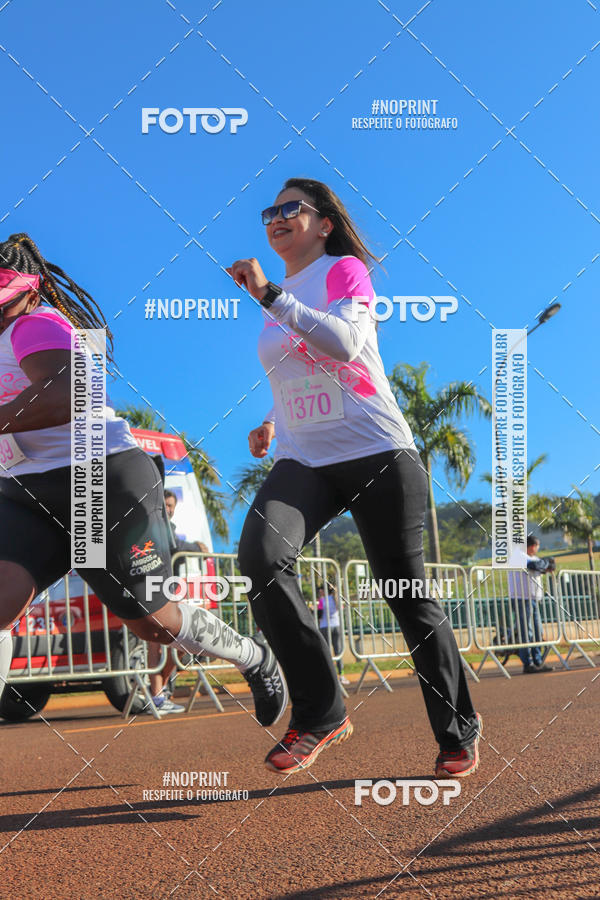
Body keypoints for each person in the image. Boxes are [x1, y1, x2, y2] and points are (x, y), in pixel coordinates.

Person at [230, 178, 481, 776]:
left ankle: (456, 731)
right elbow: (297, 365)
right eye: (270, 211)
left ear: (323, 224)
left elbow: (344, 344)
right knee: (261, 558)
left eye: (292, 209)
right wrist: (270, 419)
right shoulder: (282, 292)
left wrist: (270, 297)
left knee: (407, 597)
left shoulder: (341, 271)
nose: (277, 217)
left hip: (375, 453)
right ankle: (321, 712)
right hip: (304, 458)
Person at [0, 233, 288, 732]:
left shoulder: (36, 325)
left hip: (96, 480)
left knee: (149, 621)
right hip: (24, 491)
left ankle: (253, 656)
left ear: (31, 291)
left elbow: (71, 394)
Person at [145, 489, 213, 714]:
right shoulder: (153, 524)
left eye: (172, 505)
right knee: (157, 644)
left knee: (179, 642)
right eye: (165, 504)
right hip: (153, 591)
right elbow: (174, 547)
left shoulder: (170, 527)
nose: (169, 509)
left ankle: (159, 692)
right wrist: (196, 547)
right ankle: (156, 696)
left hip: (170, 591)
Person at [508, 535, 555, 674]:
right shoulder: (519, 555)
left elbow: (550, 565)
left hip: (533, 598)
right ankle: (528, 663)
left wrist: (545, 563)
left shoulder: (532, 557)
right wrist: (546, 562)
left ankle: (538, 661)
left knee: (537, 630)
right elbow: (536, 566)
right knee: (526, 631)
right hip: (522, 598)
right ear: (533, 545)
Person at [317, 585, 349, 685]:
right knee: (338, 651)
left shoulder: (322, 600)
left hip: (325, 627)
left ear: (323, 590)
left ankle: (329, 676)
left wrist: (313, 610)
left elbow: (319, 615)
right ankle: (342, 675)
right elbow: (341, 609)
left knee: (326, 652)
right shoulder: (336, 599)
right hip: (336, 626)